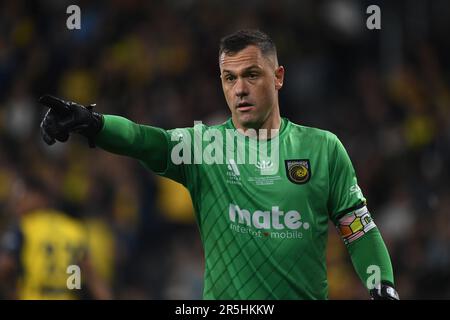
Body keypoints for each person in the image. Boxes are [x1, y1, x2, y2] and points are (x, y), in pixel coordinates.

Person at [38, 29, 399, 300]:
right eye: (230, 78)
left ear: (279, 77)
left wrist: (381, 284)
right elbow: (145, 140)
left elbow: (359, 230)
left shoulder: (323, 149)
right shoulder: (203, 148)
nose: (240, 89)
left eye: (252, 75)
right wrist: (94, 123)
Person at [0, 175, 111, 299]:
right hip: (67, 295)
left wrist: (12, 292)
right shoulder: (75, 229)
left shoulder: (24, 226)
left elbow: (5, 266)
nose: (18, 204)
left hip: (36, 294)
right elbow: (88, 274)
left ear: (40, 197)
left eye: (23, 198)